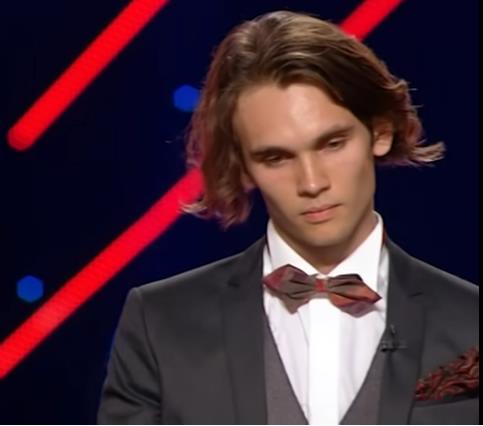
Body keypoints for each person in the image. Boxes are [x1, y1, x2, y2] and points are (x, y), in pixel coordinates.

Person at [97, 11, 478, 425]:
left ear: (380, 132)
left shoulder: (470, 322)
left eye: (332, 144)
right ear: (242, 167)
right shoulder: (160, 323)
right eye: (276, 158)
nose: (312, 182)